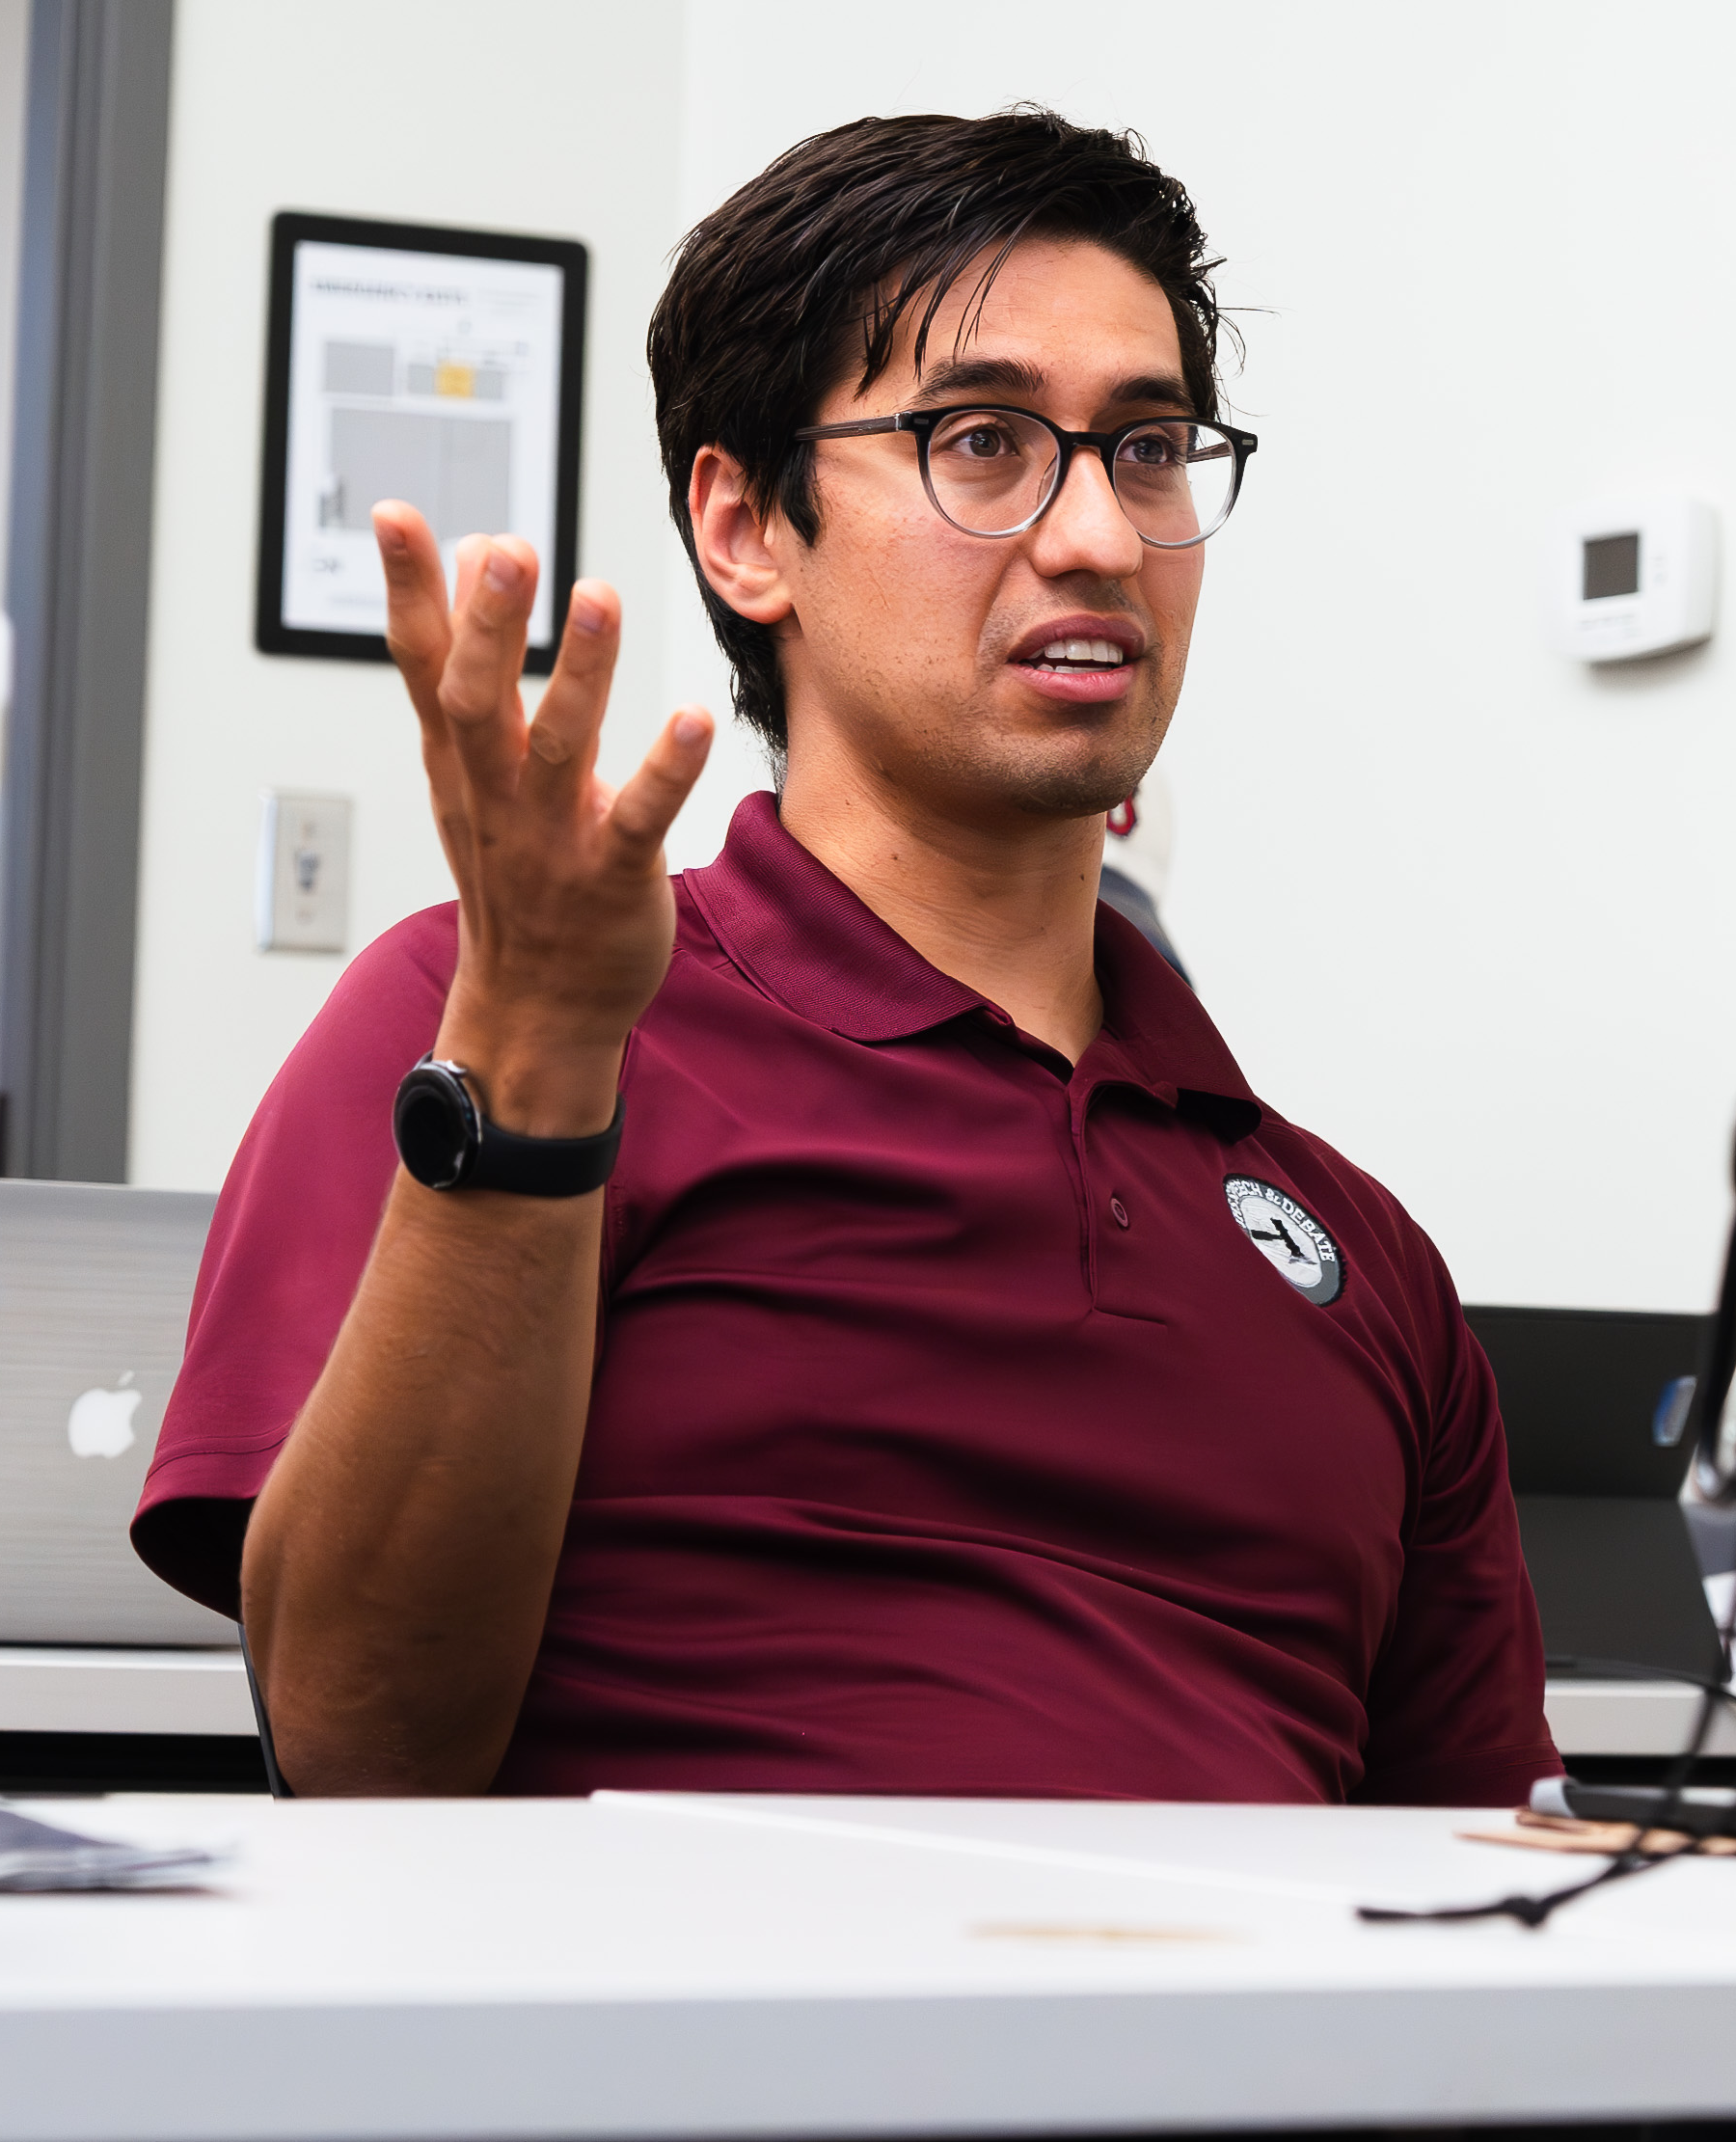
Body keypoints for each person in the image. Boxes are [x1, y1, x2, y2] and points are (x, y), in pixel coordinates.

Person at [133, 109, 1554, 1803]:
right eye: (982, 439)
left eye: (1152, 446)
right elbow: (356, 1743)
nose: (1100, 534)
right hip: (715, 2061)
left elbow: (1501, 1880)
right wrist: (531, 1049)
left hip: (1259, 2065)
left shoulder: (1365, 1262)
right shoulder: (486, 1016)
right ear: (746, 529)